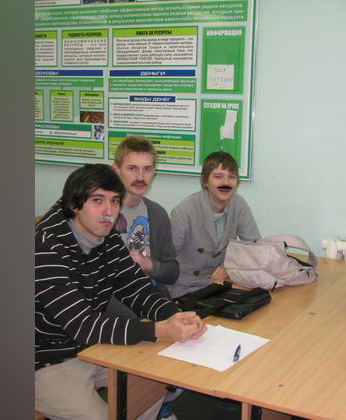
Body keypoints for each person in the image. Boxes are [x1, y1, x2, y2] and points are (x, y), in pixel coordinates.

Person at [35, 164, 206, 419]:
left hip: (90, 346)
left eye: (114, 201)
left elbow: (136, 289)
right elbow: (83, 324)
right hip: (44, 359)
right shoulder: (44, 248)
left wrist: (175, 315)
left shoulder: (108, 237)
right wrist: (159, 330)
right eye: (97, 200)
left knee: (157, 379)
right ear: (75, 204)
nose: (109, 211)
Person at [170, 151, 261, 298]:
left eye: (232, 177)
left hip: (220, 285)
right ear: (205, 181)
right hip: (186, 288)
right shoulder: (184, 211)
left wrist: (229, 267)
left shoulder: (238, 204)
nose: (226, 183)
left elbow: (254, 247)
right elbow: (166, 260)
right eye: (218, 176)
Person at [111, 135, 179, 299]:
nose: (140, 177)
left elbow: (172, 272)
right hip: (112, 303)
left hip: (151, 298)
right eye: (132, 168)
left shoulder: (157, 214)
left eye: (147, 169)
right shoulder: (102, 211)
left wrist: (148, 264)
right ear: (116, 170)